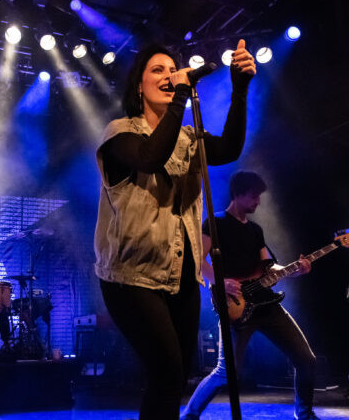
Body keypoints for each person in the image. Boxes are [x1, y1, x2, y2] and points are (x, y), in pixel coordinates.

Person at [94, 40, 256, 420]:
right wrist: (182, 91)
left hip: (181, 274)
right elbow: (150, 158)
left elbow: (230, 149)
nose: (168, 75)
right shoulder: (119, 134)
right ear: (139, 86)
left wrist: (240, 87)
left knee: (177, 373)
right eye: (158, 70)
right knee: (166, 370)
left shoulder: (188, 137)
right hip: (130, 276)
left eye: (173, 69)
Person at [180, 171, 318, 420]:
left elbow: (269, 267)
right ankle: (188, 416)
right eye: (254, 196)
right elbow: (196, 259)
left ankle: (305, 414)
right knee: (225, 373)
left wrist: (293, 270)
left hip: (268, 305)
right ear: (238, 194)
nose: (258, 202)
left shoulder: (255, 230)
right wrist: (219, 283)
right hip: (236, 306)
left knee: (306, 360)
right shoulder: (215, 222)